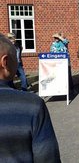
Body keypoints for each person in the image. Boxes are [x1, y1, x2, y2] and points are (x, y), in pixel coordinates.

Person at [0, 33, 61, 162]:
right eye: (14, 58)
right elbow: (47, 157)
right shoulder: (31, 106)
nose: (17, 61)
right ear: (5, 62)